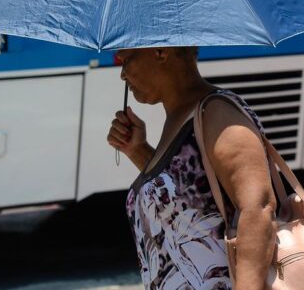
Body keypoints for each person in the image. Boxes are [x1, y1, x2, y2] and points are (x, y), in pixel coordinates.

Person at [108, 46, 277, 289]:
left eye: (126, 60)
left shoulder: (217, 113)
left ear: (160, 52)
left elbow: (257, 209)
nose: (122, 74)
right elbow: (184, 199)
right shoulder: (179, 116)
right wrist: (137, 149)